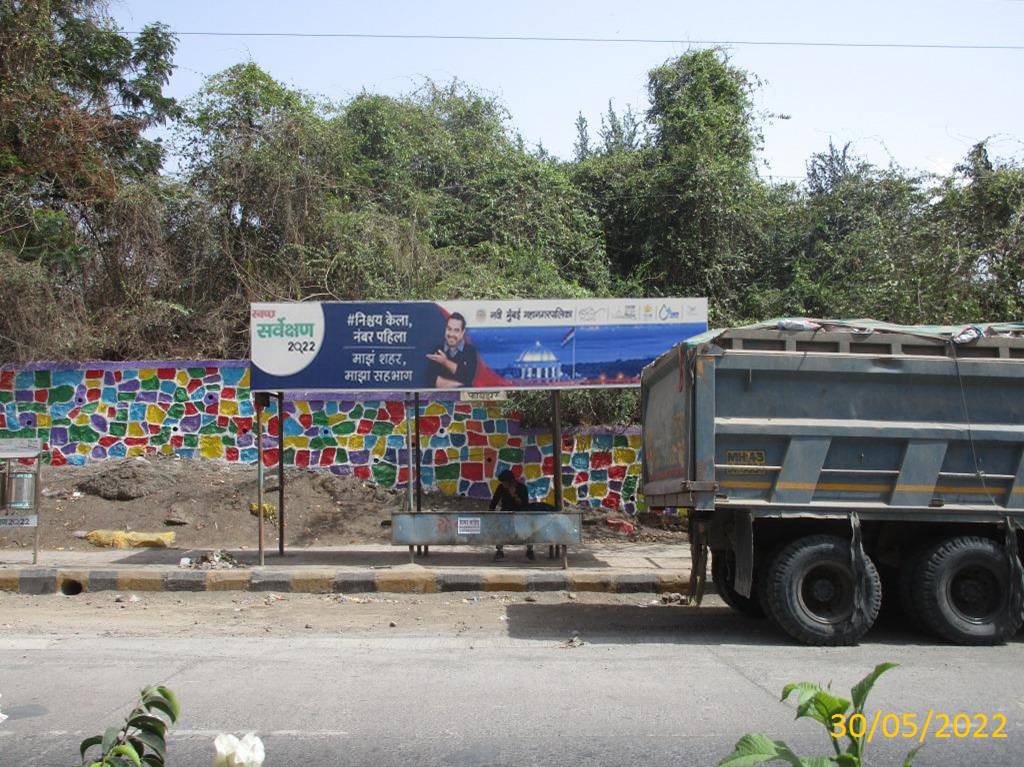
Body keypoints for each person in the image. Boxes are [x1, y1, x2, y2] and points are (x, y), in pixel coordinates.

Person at [489, 469, 535, 560]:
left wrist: (514, 495)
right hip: (505, 513)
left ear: (510, 481)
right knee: (500, 529)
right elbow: (495, 500)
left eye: (504, 482)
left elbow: (525, 504)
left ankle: (530, 550)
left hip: (520, 514)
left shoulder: (522, 488)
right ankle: (499, 551)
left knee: (528, 529)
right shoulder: (501, 488)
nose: (503, 484)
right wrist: (490, 510)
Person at [425, 312, 478, 388]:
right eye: (449, 329)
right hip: (439, 399)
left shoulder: (470, 351)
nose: (451, 334)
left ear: (462, 332)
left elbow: (468, 378)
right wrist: (461, 385)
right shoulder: (437, 350)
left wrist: (445, 362)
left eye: (456, 330)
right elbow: (431, 381)